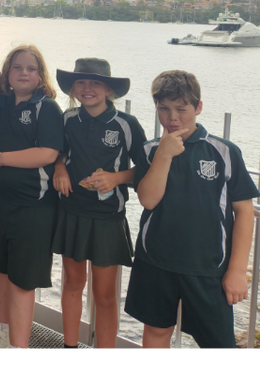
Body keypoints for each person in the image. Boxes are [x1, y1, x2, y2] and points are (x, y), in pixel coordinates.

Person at [125, 69, 258, 351]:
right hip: (155, 261)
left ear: (198, 107)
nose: (172, 117)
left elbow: (244, 212)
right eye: (164, 109)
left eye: (181, 109)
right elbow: (148, 200)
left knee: (218, 342)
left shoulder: (223, 152)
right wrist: (164, 153)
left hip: (208, 267)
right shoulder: (150, 150)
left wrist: (235, 270)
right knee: (157, 331)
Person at [0, 45, 64, 349]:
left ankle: (18, 345)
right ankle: (0, 334)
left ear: (41, 75)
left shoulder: (47, 107)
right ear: (7, 74)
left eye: (31, 68)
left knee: (23, 282)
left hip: (32, 206)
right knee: (3, 270)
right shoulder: (5, 104)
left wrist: (3, 159)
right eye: (17, 67)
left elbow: (48, 152)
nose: (24, 73)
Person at [52, 58, 146, 351]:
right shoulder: (67, 119)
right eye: (81, 82)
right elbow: (58, 153)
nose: (88, 88)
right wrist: (59, 169)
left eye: (95, 82)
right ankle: (70, 346)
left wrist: (117, 178)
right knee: (71, 284)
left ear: (108, 89)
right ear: (73, 88)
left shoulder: (125, 124)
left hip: (108, 217)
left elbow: (145, 168)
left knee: (104, 295)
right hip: (72, 211)